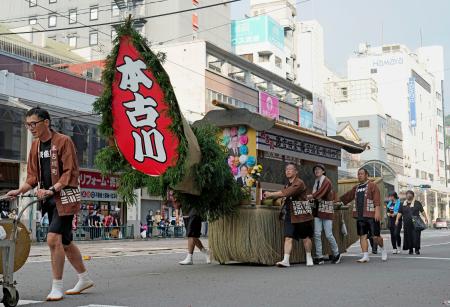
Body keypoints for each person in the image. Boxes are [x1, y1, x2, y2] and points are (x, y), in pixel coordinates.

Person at [6, 107, 93, 301]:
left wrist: (52, 189)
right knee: (66, 241)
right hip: (48, 199)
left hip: (66, 197)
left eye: (34, 124)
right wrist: (20, 190)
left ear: (46, 122)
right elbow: (32, 177)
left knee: (53, 239)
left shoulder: (63, 141)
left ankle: (57, 286)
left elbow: (69, 172)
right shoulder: (35, 146)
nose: (31, 128)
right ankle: (84, 278)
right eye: (28, 125)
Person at [264, 163, 314, 267]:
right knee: (288, 237)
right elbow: (284, 194)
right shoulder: (287, 185)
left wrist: (271, 194)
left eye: (290, 169)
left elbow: (286, 193)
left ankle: (309, 257)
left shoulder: (299, 183)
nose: (288, 171)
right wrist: (270, 197)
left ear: (296, 172)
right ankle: (286, 260)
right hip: (290, 213)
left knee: (305, 237)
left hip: (301, 212)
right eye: (286, 169)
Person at [340, 168, 387, 263]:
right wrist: (338, 200)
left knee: (375, 237)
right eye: (358, 174)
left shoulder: (372, 185)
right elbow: (348, 196)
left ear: (366, 175)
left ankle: (383, 249)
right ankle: (365, 256)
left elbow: (377, 199)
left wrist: (377, 212)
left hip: (371, 215)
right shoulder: (356, 187)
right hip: (360, 215)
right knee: (362, 236)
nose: (359, 175)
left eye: (361, 174)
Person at [307, 164, 341, 265]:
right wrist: (311, 198)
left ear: (323, 171)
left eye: (319, 169)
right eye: (315, 169)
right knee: (317, 234)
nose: (317, 171)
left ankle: (336, 253)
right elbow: (316, 195)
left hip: (326, 209)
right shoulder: (316, 182)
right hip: (318, 210)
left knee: (328, 234)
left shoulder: (326, 181)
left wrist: (310, 196)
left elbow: (320, 193)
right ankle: (319, 256)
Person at [395, 190, 428, 255]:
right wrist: (397, 220)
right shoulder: (402, 204)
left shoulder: (417, 203)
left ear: (413, 196)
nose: (408, 195)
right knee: (408, 237)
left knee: (416, 236)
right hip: (407, 223)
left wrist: (426, 218)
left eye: (410, 194)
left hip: (416, 223)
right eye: (407, 194)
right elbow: (399, 213)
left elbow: (422, 211)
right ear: (406, 196)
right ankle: (410, 249)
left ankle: (417, 249)